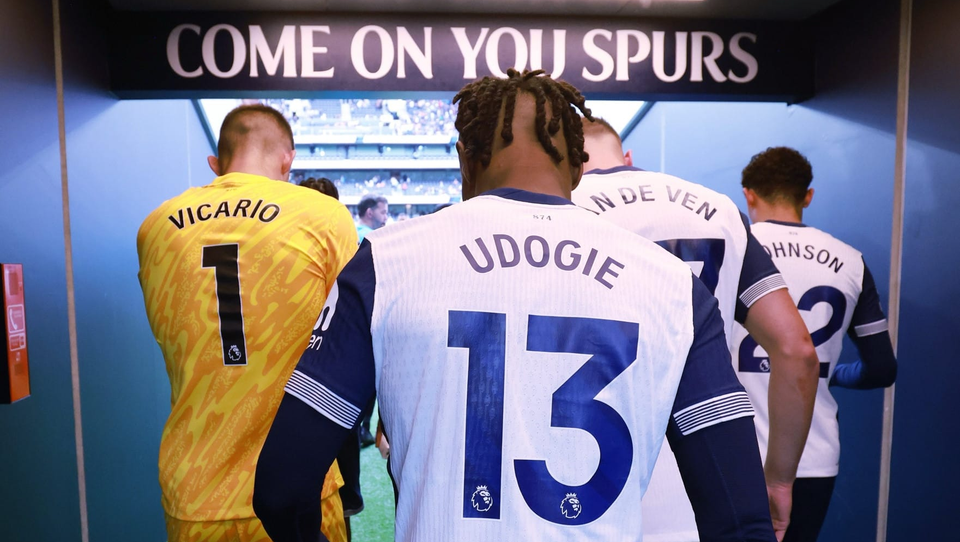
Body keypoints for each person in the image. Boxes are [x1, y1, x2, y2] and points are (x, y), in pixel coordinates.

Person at [253, 69, 776, 542]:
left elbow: (281, 490)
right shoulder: (674, 288)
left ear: (463, 158)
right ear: (578, 170)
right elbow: (740, 518)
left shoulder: (386, 264)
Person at [572, 119, 819, 541]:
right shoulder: (720, 210)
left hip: (590, 484)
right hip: (713, 486)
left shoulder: (563, 208)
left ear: (571, 163)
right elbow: (797, 349)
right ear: (627, 157)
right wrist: (778, 480)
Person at [137, 104, 357, 542]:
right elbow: (352, 345)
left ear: (215, 165)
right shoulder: (323, 217)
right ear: (288, 159)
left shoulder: (155, 227)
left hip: (196, 491)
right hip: (300, 488)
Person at [734, 146, 898, 542]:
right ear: (807, 196)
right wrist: (828, 375)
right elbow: (882, 369)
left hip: (732, 453)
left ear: (748, 194)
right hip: (813, 457)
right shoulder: (851, 261)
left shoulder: (733, 247)